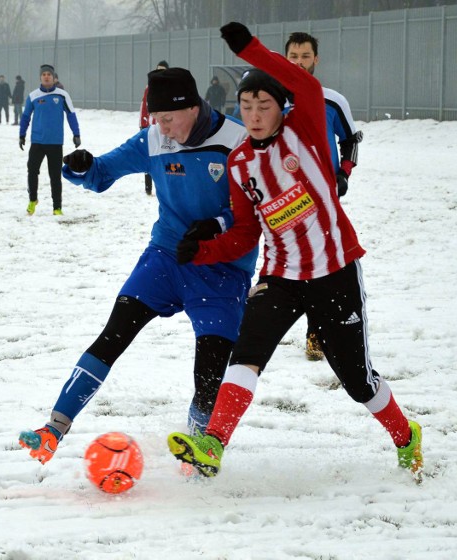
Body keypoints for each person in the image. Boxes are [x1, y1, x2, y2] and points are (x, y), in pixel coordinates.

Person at [168, 22, 423, 481]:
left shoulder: (304, 129)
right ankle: (213, 443)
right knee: (246, 353)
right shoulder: (240, 161)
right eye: (245, 107)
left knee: (358, 381)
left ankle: (406, 436)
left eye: (263, 105)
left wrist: (249, 49)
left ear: (281, 107)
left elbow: (303, 82)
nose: (254, 115)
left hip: (335, 270)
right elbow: (246, 232)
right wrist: (202, 251)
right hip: (281, 275)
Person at [18, 67, 257, 466]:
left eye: (167, 118)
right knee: (115, 331)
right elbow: (102, 172)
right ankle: (53, 429)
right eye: (155, 119)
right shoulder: (154, 138)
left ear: (193, 107)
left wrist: (216, 227)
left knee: (210, 367)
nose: (161, 127)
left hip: (223, 268)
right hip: (166, 258)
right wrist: (79, 167)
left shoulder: (237, 141)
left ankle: (198, 453)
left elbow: (252, 209)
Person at [285, 31, 364, 361]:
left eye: (305, 56)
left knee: (322, 264)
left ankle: (315, 333)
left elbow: (351, 141)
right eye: (294, 56)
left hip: (321, 199)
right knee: (283, 265)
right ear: (284, 58)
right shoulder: (270, 97)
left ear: (316, 59)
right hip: (281, 199)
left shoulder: (332, 100)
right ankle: (258, 326)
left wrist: (343, 174)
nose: (300, 62)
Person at [19, 64, 81, 216]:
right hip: (37, 142)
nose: (46, 76)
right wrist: (22, 134)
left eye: (49, 74)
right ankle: (33, 199)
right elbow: (26, 116)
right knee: (32, 171)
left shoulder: (62, 95)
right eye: (44, 74)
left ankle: (57, 207)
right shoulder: (33, 96)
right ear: (40, 77)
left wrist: (76, 133)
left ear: (54, 78)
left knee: (55, 175)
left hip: (55, 142)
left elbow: (71, 115)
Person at [139, 60, 169, 195]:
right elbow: (144, 107)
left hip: (165, 128)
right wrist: (143, 124)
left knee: (164, 157)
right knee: (149, 156)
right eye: (157, 70)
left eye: (162, 70)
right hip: (150, 127)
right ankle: (148, 187)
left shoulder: (171, 87)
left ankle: (164, 186)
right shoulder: (148, 88)